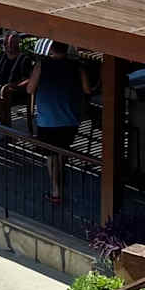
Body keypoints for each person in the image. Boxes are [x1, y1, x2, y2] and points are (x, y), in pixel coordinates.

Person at [25, 42, 91, 204]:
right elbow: (87, 89)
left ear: (51, 49)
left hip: (47, 119)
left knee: (51, 155)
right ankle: (60, 181)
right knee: (62, 150)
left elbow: (29, 89)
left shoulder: (41, 65)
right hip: (69, 118)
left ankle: (55, 190)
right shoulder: (77, 66)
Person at [0, 34, 37, 127]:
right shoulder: (2, 56)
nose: (5, 46)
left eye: (8, 43)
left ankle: (6, 125)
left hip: (14, 92)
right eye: (5, 43)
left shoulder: (24, 59)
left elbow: (28, 79)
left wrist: (12, 86)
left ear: (16, 44)